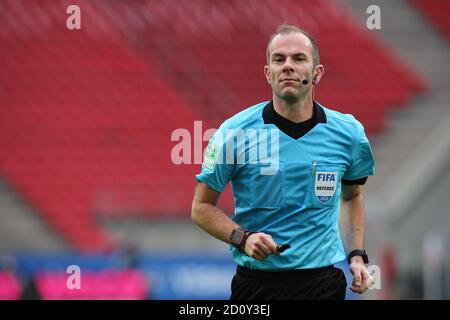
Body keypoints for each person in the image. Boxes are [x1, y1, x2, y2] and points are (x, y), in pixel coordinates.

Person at [191, 24, 375, 300]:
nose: (288, 66)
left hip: (321, 284)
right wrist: (243, 238)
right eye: (279, 59)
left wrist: (357, 255)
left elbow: (352, 196)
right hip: (256, 286)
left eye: (299, 58)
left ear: (317, 73)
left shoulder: (348, 134)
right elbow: (201, 207)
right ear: (268, 73)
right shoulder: (233, 132)